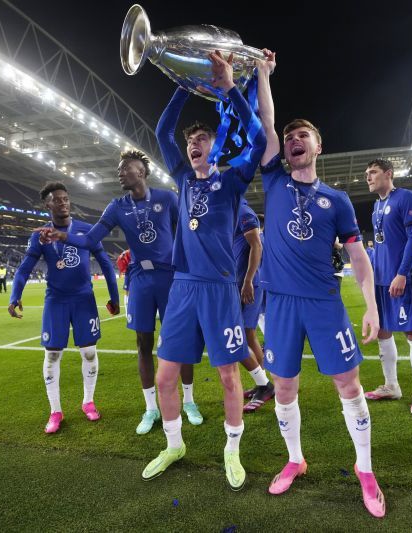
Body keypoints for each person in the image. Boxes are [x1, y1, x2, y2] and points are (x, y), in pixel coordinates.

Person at [256, 49, 385, 518]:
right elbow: (266, 122)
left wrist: (370, 306)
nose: (292, 139)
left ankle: (365, 469)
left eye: (302, 135)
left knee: (348, 386)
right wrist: (263, 74)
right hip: (282, 304)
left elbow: (359, 258)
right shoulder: (273, 180)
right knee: (284, 389)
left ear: (317, 147)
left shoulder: (337, 200)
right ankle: (295, 460)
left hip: (325, 304)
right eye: (289, 136)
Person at [140, 50, 266, 490]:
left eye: (202, 140)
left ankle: (232, 449)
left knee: (229, 375)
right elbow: (160, 131)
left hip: (219, 289)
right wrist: (183, 84)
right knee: (164, 375)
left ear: (214, 148)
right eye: (191, 141)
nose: (194, 145)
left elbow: (258, 137)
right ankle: (174, 444)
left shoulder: (232, 180)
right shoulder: (183, 178)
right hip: (182, 289)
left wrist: (230, 86)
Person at [37, 150, 202, 435]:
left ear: (142, 171)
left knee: (181, 340)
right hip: (139, 278)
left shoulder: (167, 198)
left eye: (125, 168)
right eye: (119, 169)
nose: (120, 172)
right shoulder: (116, 206)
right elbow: (90, 239)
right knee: (143, 343)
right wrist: (62, 235)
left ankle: (189, 401)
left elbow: (186, 232)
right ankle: (151, 408)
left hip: (170, 277)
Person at [9, 182, 120, 434]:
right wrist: (14, 295)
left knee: (89, 352)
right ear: (47, 205)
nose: (63, 203)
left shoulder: (85, 230)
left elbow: (105, 263)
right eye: (57, 200)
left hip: (84, 300)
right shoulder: (40, 236)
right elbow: (25, 268)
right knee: (52, 355)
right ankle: (55, 411)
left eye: (65, 198)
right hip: (56, 301)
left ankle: (88, 402)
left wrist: (115, 298)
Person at [363, 158, 412, 420]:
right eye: (367, 174)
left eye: (373, 173)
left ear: (388, 174)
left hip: (402, 279)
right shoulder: (376, 205)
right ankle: (391, 385)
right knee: (383, 332)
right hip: (381, 280)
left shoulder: (406, 197)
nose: (368, 177)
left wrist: (402, 273)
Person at [234, 198, 275, 413]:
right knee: (248, 334)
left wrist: (249, 281)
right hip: (241, 283)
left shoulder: (242, 211)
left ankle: (264, 385)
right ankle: (261, 382)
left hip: (247, 284)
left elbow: (256, 248)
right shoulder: (233, 211)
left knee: (242, 335)